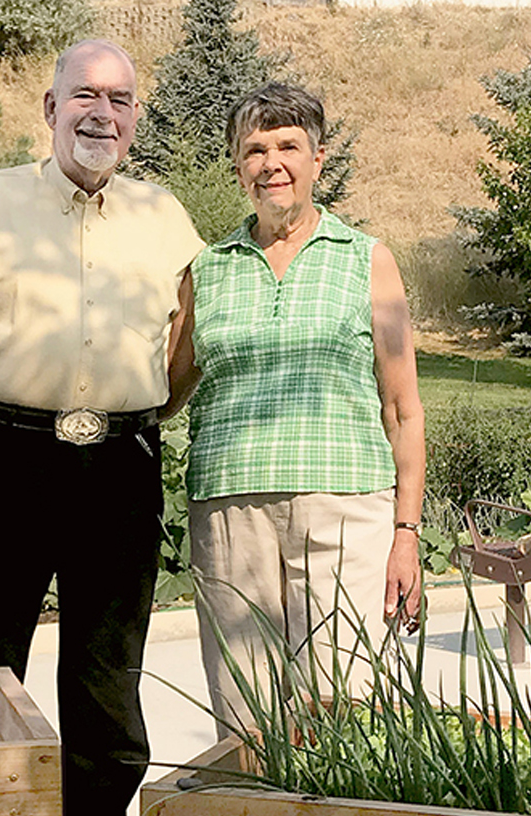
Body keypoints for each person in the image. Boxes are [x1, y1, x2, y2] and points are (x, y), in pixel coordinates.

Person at [0, 39, 203, 816]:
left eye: (120, 99)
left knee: (108, 698)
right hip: (8, 465)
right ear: (51, 108)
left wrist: (138, 416)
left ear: (135, 118)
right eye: (86, 95)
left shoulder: (165, 218)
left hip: (122, 476)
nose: (103, 113)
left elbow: (186, 345)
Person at [164, 82, 426, 737]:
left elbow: (403, 409)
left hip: (346, 510)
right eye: (255, 150)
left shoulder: (368, 261)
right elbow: (162, 392)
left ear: (318, 158)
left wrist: (406, 533)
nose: (271, 163)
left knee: (345, 710)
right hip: (230, 511)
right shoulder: (207, 269)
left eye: (287, 146)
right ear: (237, 166)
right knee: (244, 718)